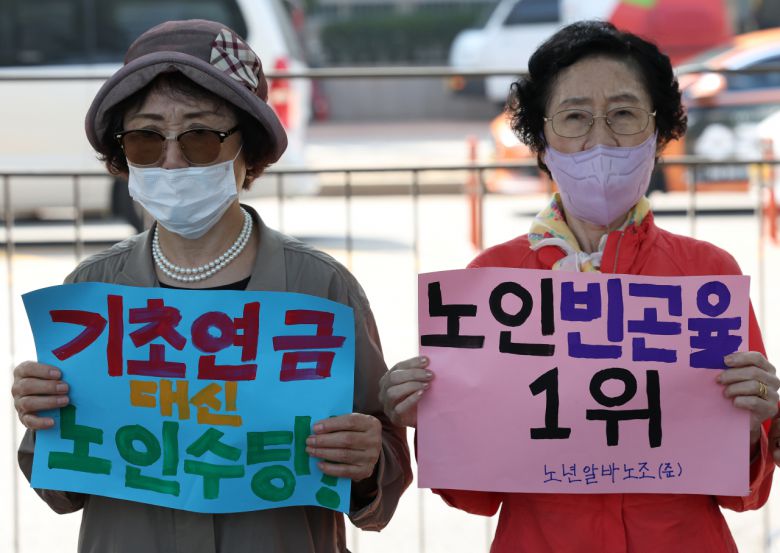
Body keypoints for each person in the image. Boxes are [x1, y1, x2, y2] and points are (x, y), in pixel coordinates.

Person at [11, 19, 411, 553]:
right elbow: (61, 490)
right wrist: (43, 418)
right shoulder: (93, 290)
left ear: (249, 148)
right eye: (145, 139)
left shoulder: (319, 288)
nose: (172, 160)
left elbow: (382, 469)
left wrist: (368, 462)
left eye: (200, 137)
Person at [380, 21, 778, 553]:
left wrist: (751, 427)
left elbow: (745, 494)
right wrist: (433, 419)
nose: (600, 140)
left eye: (624, 114)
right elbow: (474, 495)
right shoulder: (492, 283)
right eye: (574, 117)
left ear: (659, 133)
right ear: (542, 141)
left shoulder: (708, 276)